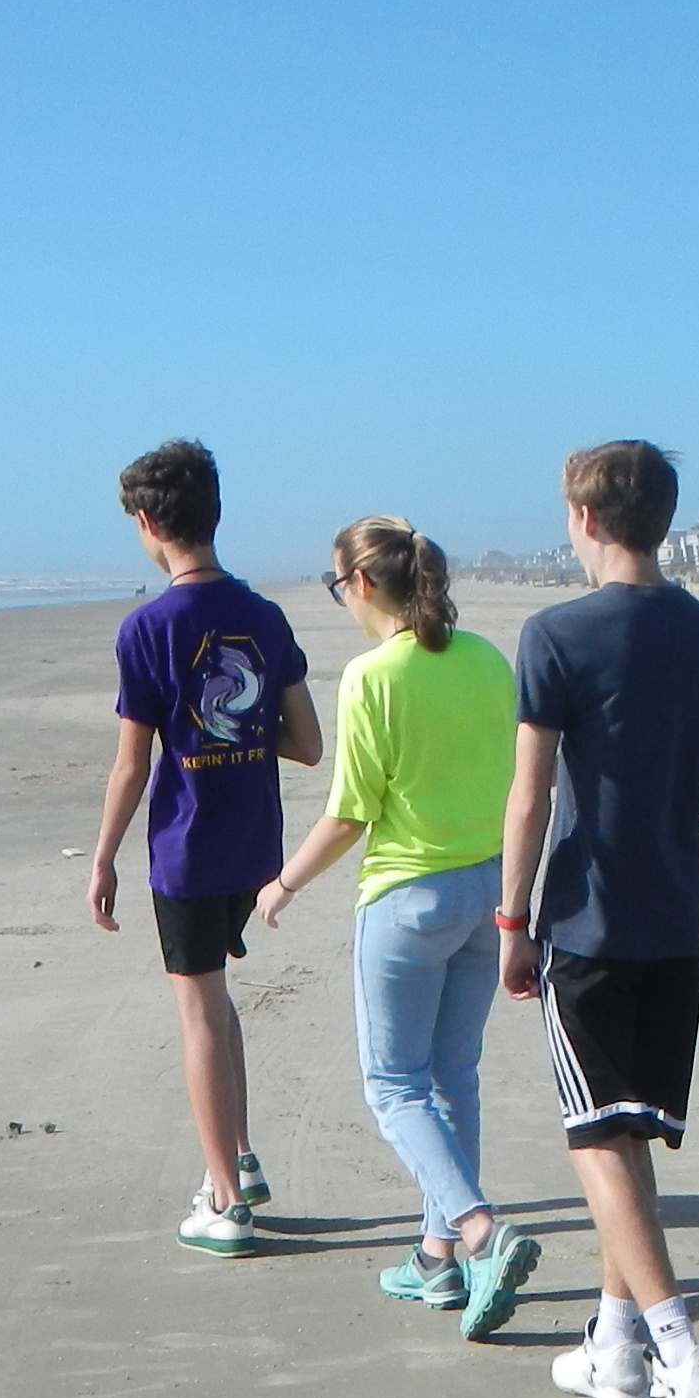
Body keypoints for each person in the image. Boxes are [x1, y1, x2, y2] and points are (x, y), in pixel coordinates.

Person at [500, 441, 699, 1398]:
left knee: (595, 1139)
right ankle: (615, 1344)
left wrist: (509, 920)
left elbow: (529, 795)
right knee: (628, 1129)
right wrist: (671, 805)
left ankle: (682, 1351)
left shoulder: (556, 634)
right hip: (676, 922)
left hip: (586, 921)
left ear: (584, 520)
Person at [253, 517, 540, 1336]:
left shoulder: (372, 676)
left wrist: (283, 883)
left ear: (364, 586)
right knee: (455, 1077)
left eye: (338, 584)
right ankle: (436, 1260)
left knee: (394, 1085)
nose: (340, 598)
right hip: (488, 891)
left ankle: (479, 1231)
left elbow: (351, 813)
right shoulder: (486, 659)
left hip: (409, 900)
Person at [89, 438, 319, 1255]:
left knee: (197, 1014)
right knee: (218, 1005)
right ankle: (242, 1157)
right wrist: (240, 732)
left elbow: (131, 764)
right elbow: (308, 742)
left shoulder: (148, 628)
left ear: (149, 523)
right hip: (255, 843)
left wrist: (104, 855)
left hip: (186, 850)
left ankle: (225, 1199)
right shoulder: (264, 617)